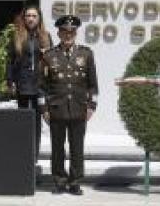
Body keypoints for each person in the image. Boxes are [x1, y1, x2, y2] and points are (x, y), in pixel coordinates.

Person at [39, 14, 98, 196]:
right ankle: (59, 181)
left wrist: (91, 106)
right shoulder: (49, 55)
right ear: (58, 33)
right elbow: (42, 85)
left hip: (79, 108)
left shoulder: (86, 53)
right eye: (64, 31)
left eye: (71, 32)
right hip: (56, 109)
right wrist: (44, 109)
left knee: (77, 147)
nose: (68, 35)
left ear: (76, 33)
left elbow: (92, 83)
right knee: (57, 148)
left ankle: (75, 182)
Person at [6, 5, 52, 160]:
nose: (31, 19)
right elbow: (10, 60)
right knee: (24, 118)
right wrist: (10, 81)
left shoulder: (46, 36)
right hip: (23, 82)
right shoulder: (17, 36)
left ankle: (34, 154)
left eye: (34, 16)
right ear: (24, 18)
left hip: (40, 84)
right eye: (28, 16)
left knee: (38, 120)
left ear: (39, 19)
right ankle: (24, 152)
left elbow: (52, 62)